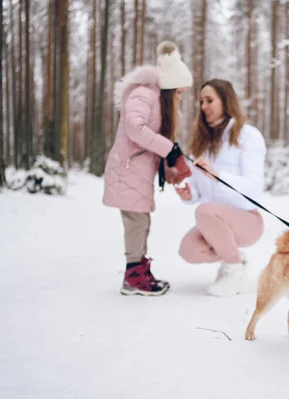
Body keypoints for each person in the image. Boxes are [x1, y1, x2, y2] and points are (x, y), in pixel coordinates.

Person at [103, 41, 192, 296]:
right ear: (170, 86)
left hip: (137, 172)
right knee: (136, 223)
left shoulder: (154, 98)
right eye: (180, 93)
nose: (180, 98)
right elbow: (135, 128)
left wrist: (172, 160)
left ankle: (139, 270)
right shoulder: (144, 94)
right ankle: (133, 276)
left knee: (141, 222)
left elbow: (151, 139)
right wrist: (168, 148)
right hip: (127, 170)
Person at [175, 79, 266, 297]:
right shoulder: (201, 144)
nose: (204, 106)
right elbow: (199, 191)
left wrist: (218, 176)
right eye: (201, 101)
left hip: (247, 220)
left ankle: (235, 271)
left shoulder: (248, 136)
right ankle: (236, 258)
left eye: (209, 100)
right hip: (213, 220)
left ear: (226, 101)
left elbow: (253, 190)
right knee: (188, 250)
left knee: (204, 211)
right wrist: (189, 194)